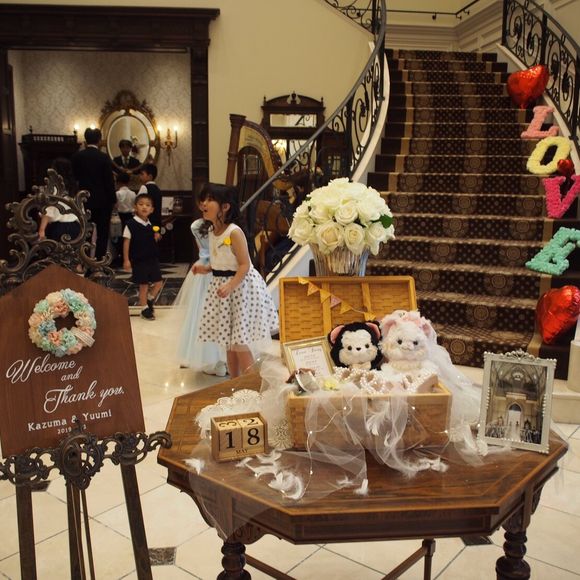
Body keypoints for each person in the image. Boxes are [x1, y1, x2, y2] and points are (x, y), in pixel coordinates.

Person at [195, 183, 278, 377]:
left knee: (239, 342)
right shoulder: (212, 231)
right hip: (225, 291)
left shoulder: (234, 232)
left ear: (225, 207)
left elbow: (244, 265)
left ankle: (250, 385)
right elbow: (221, 261)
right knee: (229, 343)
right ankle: (234, 383)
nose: (203, 203)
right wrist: (206, 269)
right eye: (203, 199)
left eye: (210, 200)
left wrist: (230, 286)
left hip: (240, 290)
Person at [174, 216, 228, 376]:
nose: (204, 205)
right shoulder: (198, 225)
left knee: (215, 313)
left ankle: (220, 359)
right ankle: (214, 359)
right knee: (206, 313)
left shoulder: (199, 225)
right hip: (211, 271)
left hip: (215, 269)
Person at [71, 127, 116, 260]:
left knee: (85, 232)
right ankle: (99, 261)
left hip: (84, 200)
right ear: (99, 140)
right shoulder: (103, 157)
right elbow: (109, 181)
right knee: (102, 233)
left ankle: (85, 260)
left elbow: (74, 178)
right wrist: (113, 200)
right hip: (103, 201)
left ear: (85, 140)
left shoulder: (77, 157)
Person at [123, 193, 163, 320]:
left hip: (152, 259)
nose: (144, 207)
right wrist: (126, 260)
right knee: (143, 285)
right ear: (135, 207)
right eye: (141, 204)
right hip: (139, 260)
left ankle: (149, 299)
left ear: (152, 209)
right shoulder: (131, 224)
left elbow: (151, 239)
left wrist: (156, 236)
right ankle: (144, 308)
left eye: (147, 205)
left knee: (158, 282)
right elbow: (126, 242)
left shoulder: (151, 225)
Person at [38, 158, 81, 242]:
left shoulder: (53, 189)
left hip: (58, 228)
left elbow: (48, 210)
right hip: (75, 226)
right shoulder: (74, 188)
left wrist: (41, 230)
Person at [137, 163, 162, 232]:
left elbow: (138, 205)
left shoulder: (144, 187)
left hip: (146, 222)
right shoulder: (158, 189)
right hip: (156, 222)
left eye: (142, 174)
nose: (140, 176)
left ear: (150, 176)